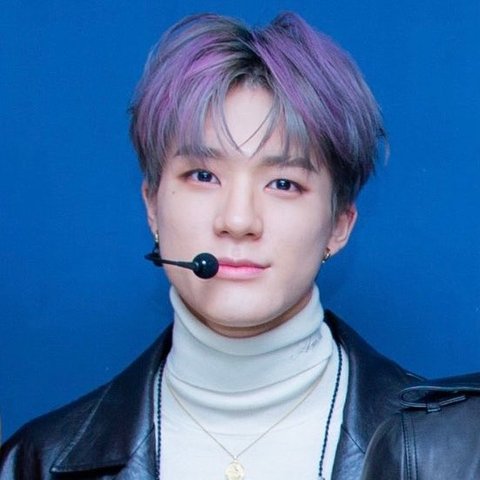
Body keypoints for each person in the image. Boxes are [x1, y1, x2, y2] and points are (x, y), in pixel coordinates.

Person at [0, 12, 422, 480]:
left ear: (340, 224)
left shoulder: (452, 450)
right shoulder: (35, 462)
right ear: (152, 206)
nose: (238, 221)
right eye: (203, 176)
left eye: (283, 183)